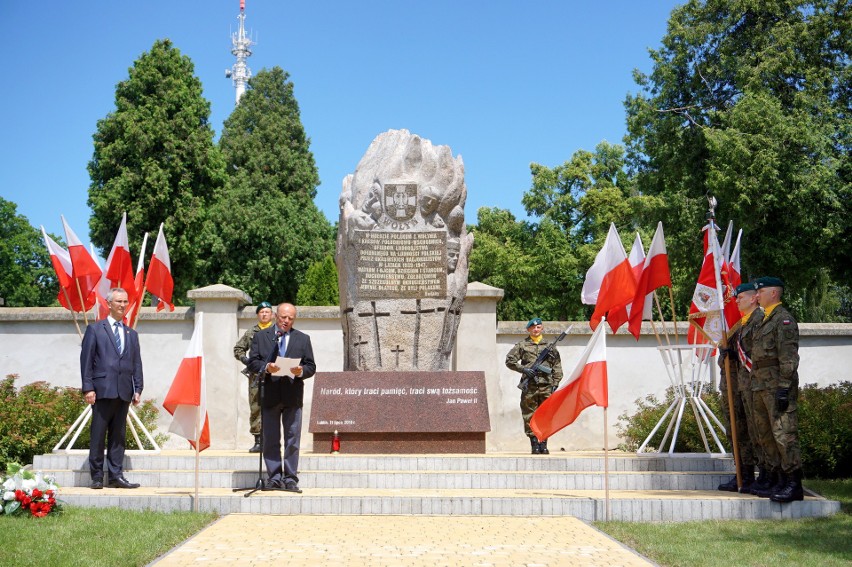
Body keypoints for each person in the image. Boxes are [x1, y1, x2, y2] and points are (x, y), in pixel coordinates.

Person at [247, 303, 316, 492]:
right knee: (270, 438)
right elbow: (253, 361)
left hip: (292, 396)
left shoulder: (302, 339)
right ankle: (274, 477)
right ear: (276, 316)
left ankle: (291, 477)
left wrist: (301, 370)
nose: (286, 321)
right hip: (269, 394)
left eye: (290, 318)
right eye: (283, 317)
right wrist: (266, 368)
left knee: (292, 439)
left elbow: (311, 366)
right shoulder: (261, 337)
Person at [80, 288, 143, 489]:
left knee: (118, 437)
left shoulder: (131, 334)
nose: (123, 305)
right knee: (98, 435)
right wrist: (88, 388)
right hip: (101, 390)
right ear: (109, 304)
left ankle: (116, 476)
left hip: (124, 391)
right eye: (118, 301)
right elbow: (86, 361)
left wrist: (138, 387)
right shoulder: (95, 330)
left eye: (125, 301)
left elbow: (136, 363)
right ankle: (97, 476)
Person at [751, 276, 803, 503]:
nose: (757, 296)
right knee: (767, 436)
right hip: (761, 385)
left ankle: (794, 484)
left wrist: (784, 388)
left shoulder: (783, 320)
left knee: (784, 435)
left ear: (773, 293)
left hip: (777, 387)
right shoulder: (765, 320)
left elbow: (789, 358)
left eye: (761, 292)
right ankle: (779, 480)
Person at [717, 282, 763, 492]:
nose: (735, 301)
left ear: (753, 298)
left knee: (755, 431)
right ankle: (741, 474)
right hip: (733, 386)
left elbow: (757, 356)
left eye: (740, 297)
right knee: (735, 431)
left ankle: (762, 475)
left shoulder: (759, 322)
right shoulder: (739, 324)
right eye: (734, 298)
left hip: (749, 386)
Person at [505, 318, 563, 454]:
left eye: (538, 327)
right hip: (529, 386)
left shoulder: (550, 346)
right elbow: (509, 361)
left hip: (546, 386)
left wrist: (555, 384)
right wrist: (524, 369)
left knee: (547, 415)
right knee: (529, 415)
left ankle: (544, 443)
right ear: (528, 329)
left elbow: (557, 367)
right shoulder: (522, 345)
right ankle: (534, 444)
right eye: (533, 328)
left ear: (542, 329)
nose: (536, 330)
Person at [233, 301, 274, 452]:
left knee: (274, 407)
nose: (264, 314)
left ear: (272, 315)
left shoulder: (277, 331)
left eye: (267, 312)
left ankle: (271, 440)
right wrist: (246, 360)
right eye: (261, 312)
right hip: (256, 375)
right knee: (256, 406)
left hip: (274, 375)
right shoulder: (251, 332)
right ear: (258, 314)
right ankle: (258, 440)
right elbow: (238, 349)